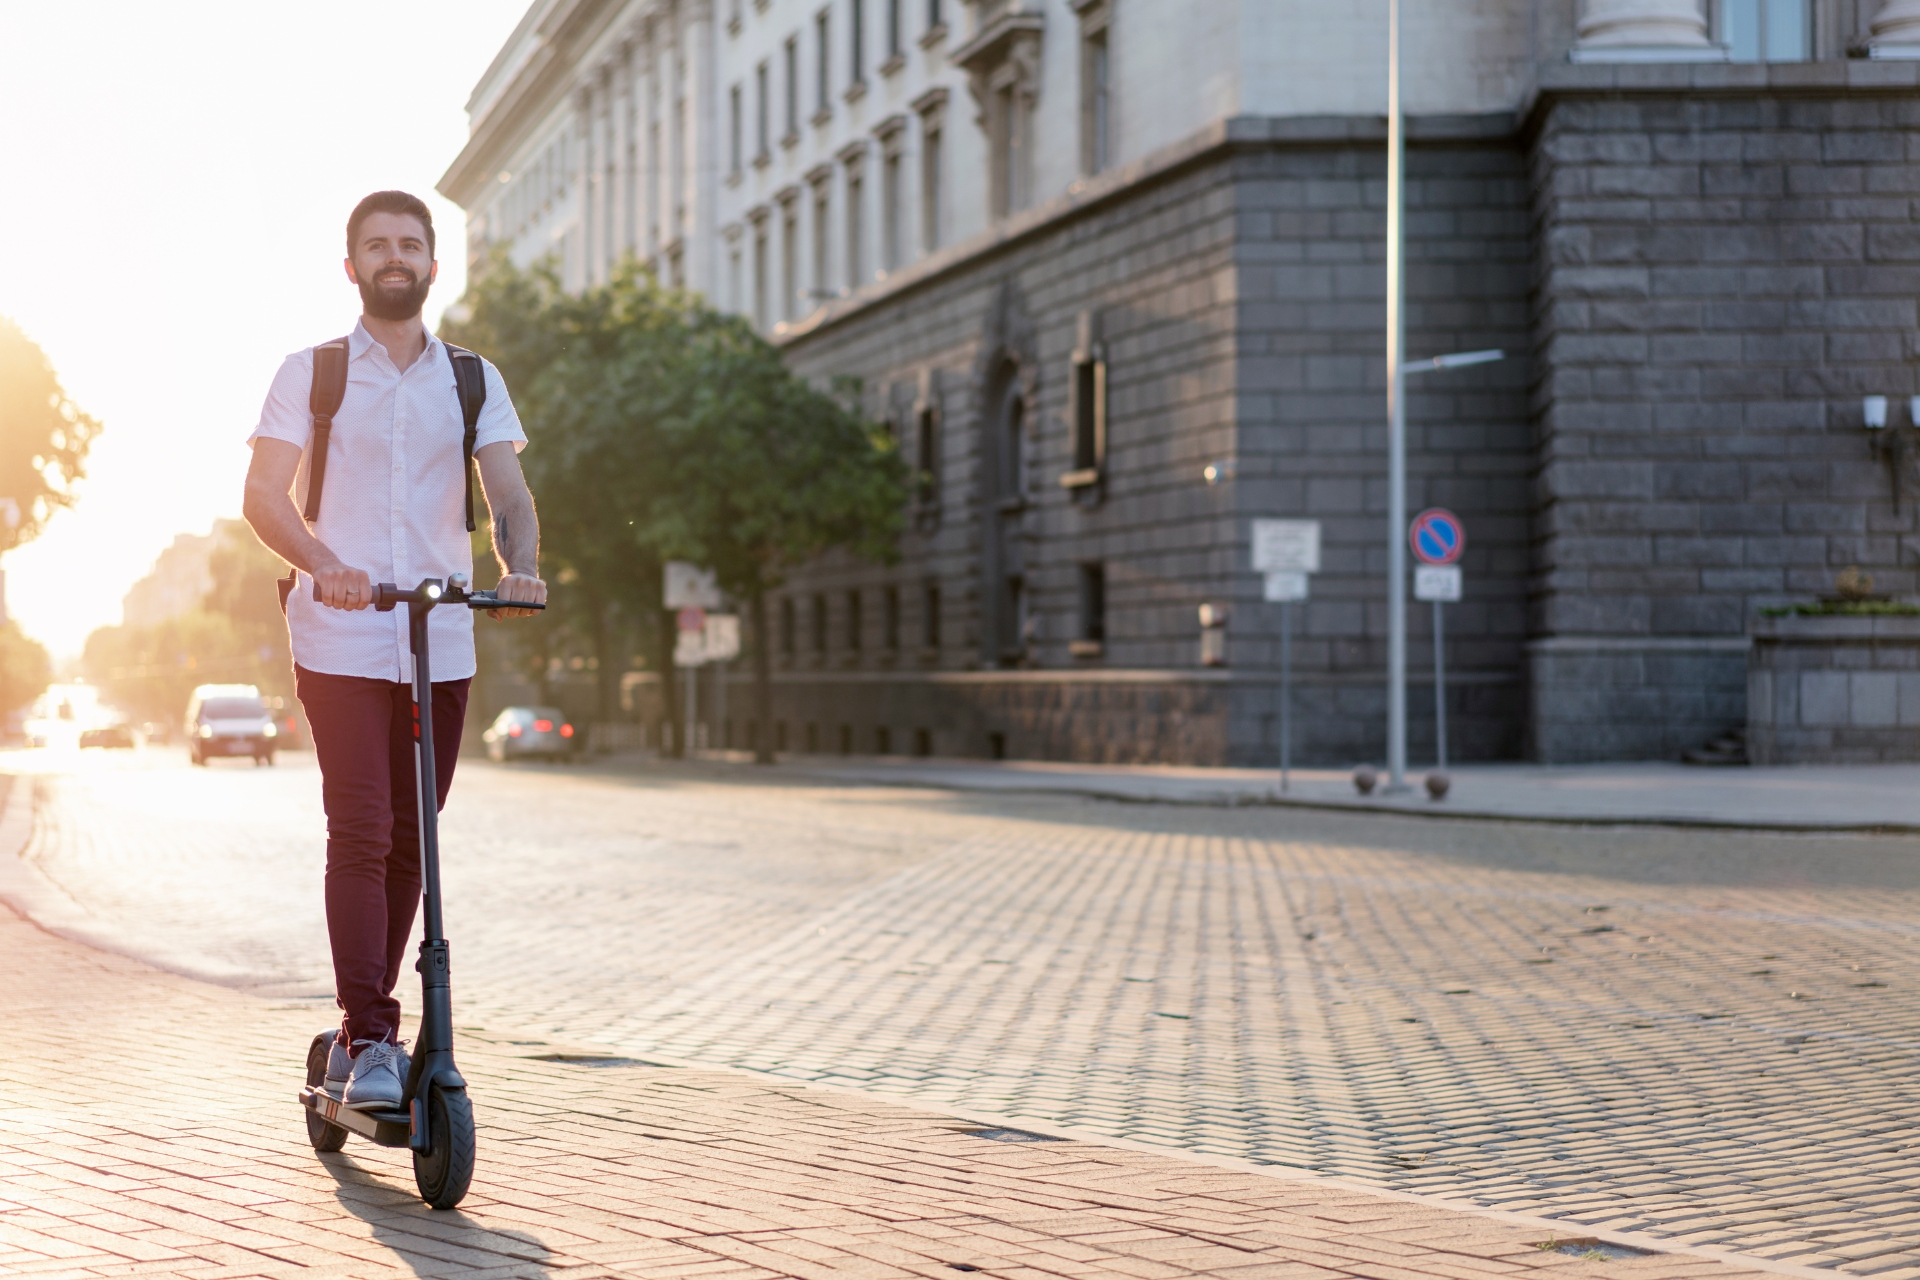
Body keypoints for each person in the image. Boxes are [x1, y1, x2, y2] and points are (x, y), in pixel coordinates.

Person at [243, 190, 546, 1110]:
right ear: (352, 267)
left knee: (416, 840)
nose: (395, 257)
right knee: (364, 831)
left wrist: (521, 567)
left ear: (431, 265)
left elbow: (508, 493)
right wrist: (325, 562)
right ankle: (372, 1032)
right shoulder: (313, 372)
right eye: (377, 245)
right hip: (340, 637)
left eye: (410, 244)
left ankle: (354, 1036)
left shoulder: (471, 377)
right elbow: (263, 495)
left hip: (439, 636)